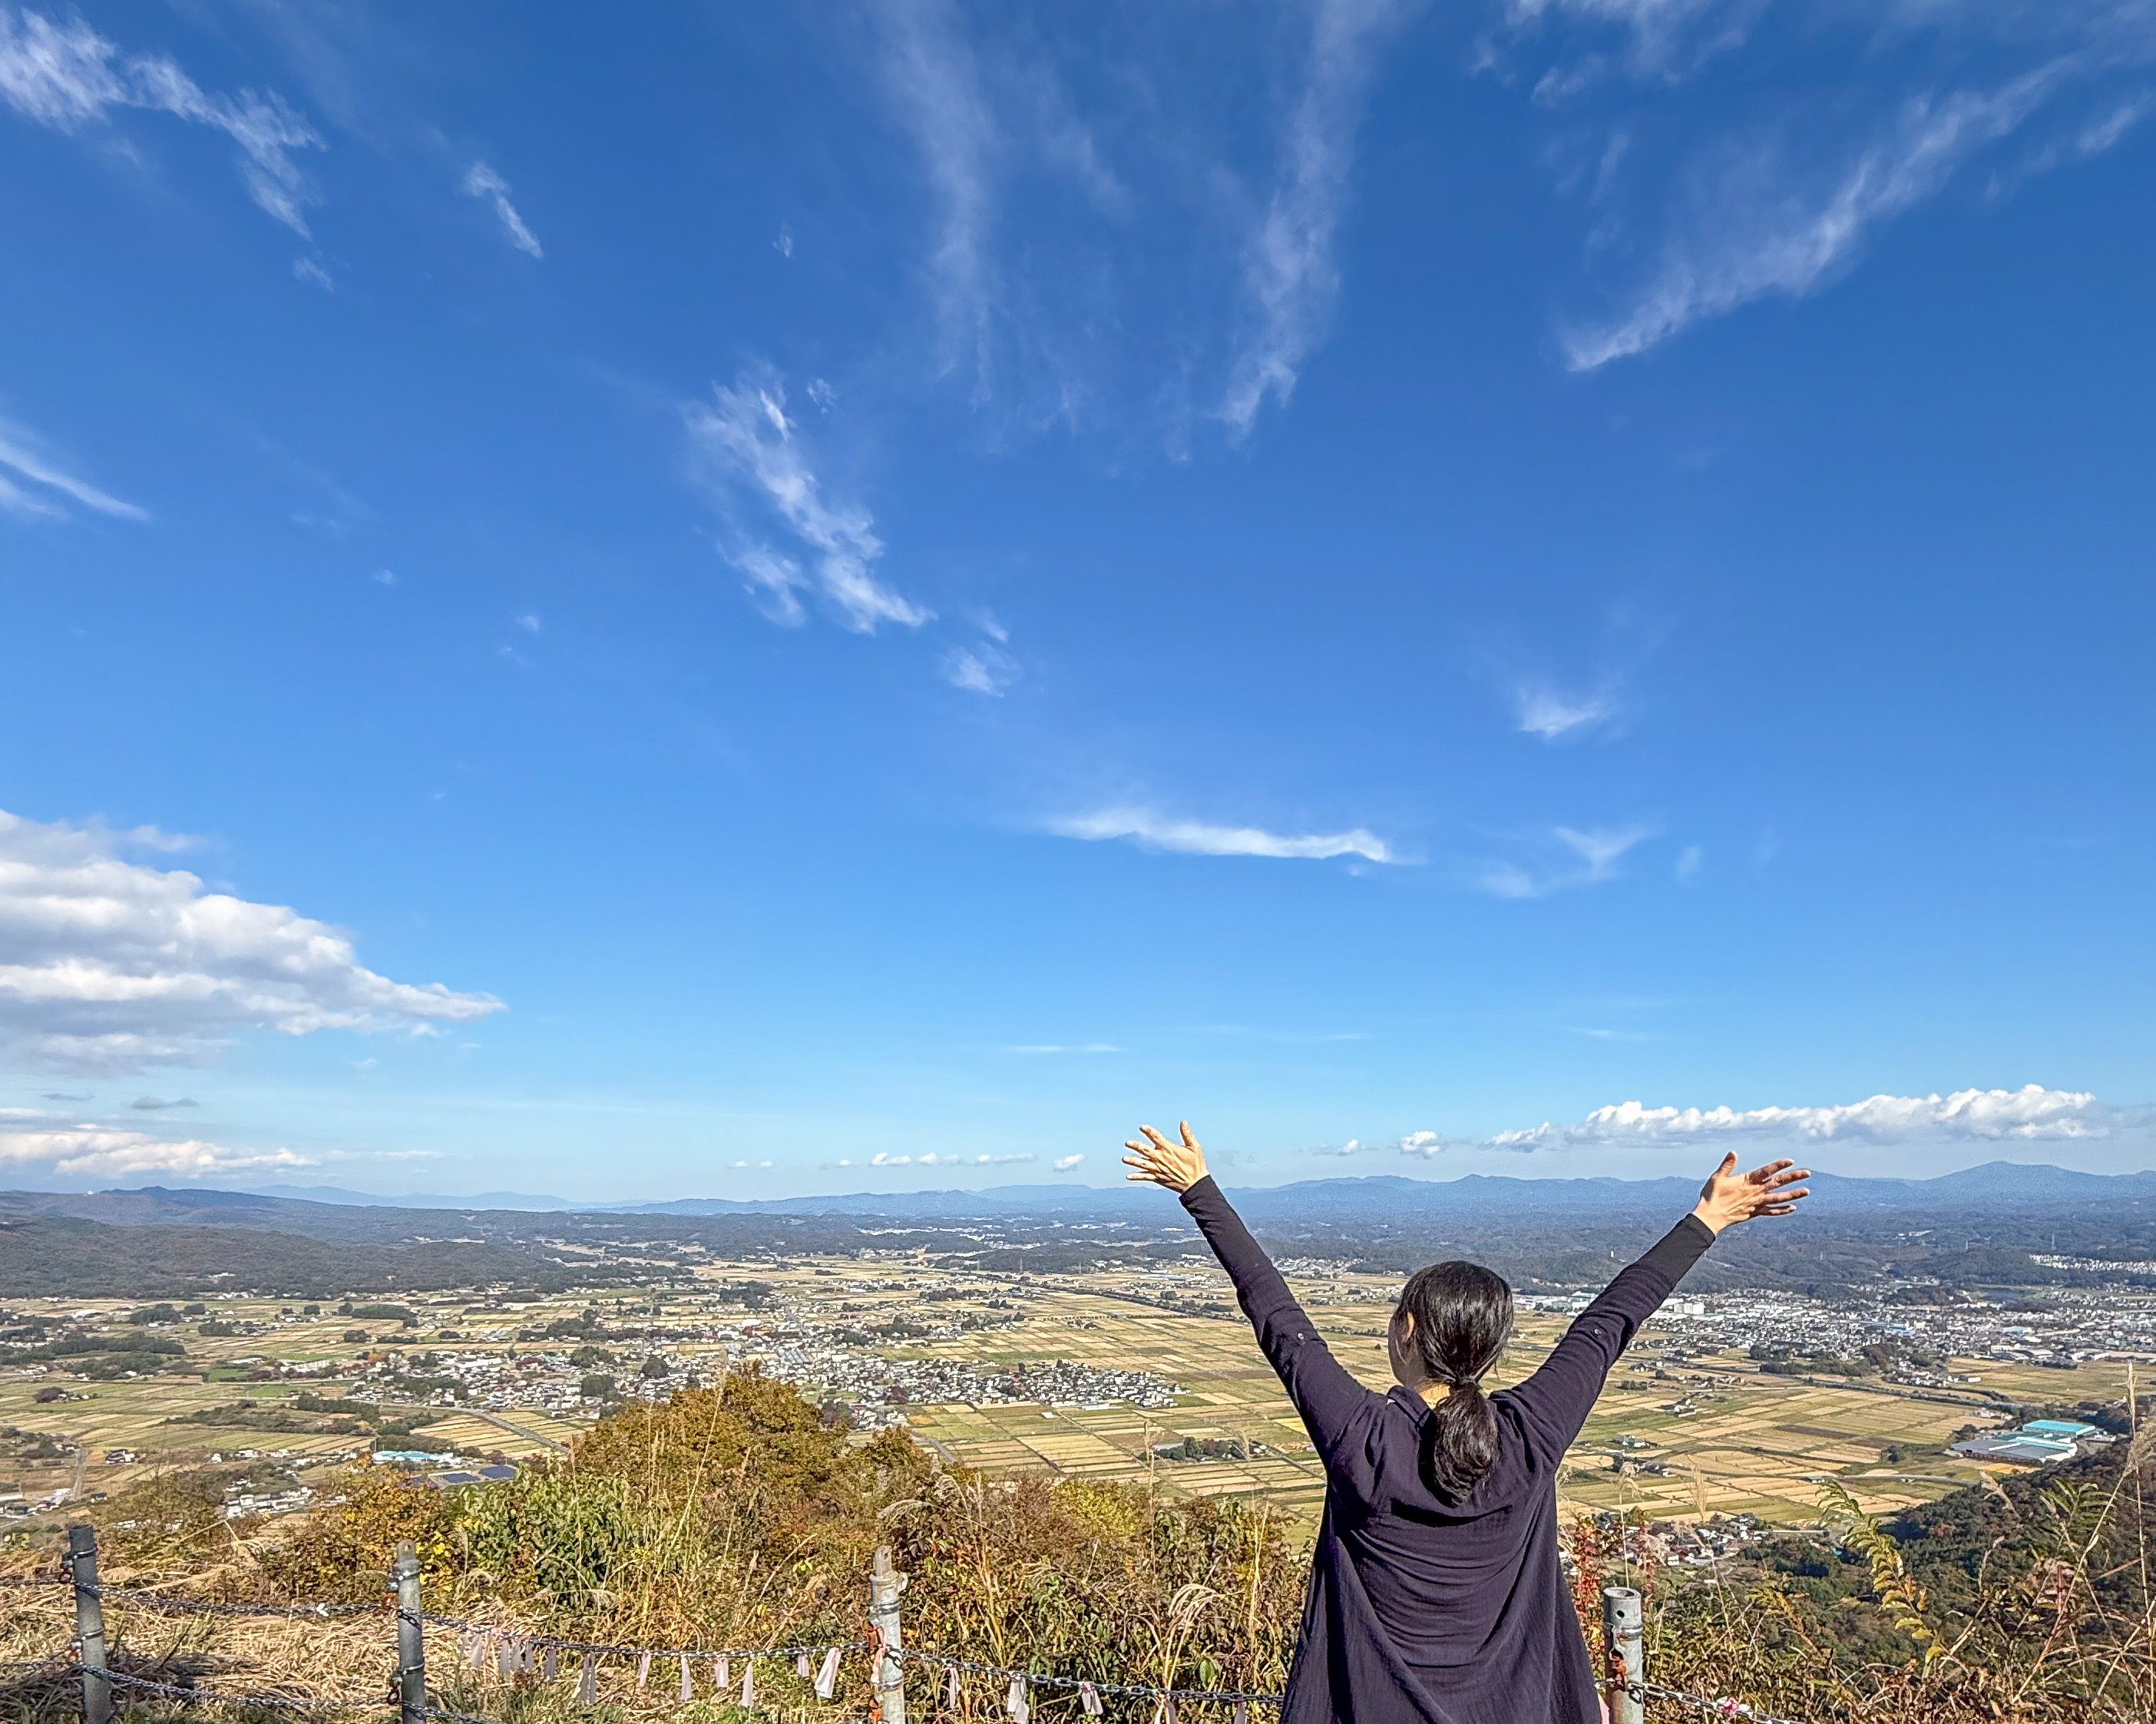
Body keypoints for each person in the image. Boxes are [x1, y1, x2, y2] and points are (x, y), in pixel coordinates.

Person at [1121, 1121, 1810, 1724]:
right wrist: (1707, 1221)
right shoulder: (1532, 1433)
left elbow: (1275, 1312)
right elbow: (1608, 1323)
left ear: (1407, 1329)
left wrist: (1199, 1187)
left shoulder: (1362, 1436)